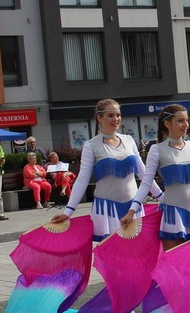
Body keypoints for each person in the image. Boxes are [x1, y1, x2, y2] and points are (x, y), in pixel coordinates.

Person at [123, 104, 190, 313]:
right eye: (179, 121)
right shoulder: (157, 150)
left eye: (186, 120)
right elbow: (146, 183)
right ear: (167, 123)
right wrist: (132, 210)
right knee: (177, 271)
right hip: (172, 215)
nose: (185, 125)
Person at [52, 99, 161, 241]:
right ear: (100, 118)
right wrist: (68, 212)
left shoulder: (129, 140)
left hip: (133, 208)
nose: (116, 119)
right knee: (112, 251)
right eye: (110, 115)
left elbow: (144, 174)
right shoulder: (91, 145)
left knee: (137, 250)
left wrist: (163, 198)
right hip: (107, 210)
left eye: (118, 115)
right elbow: (82, 180)